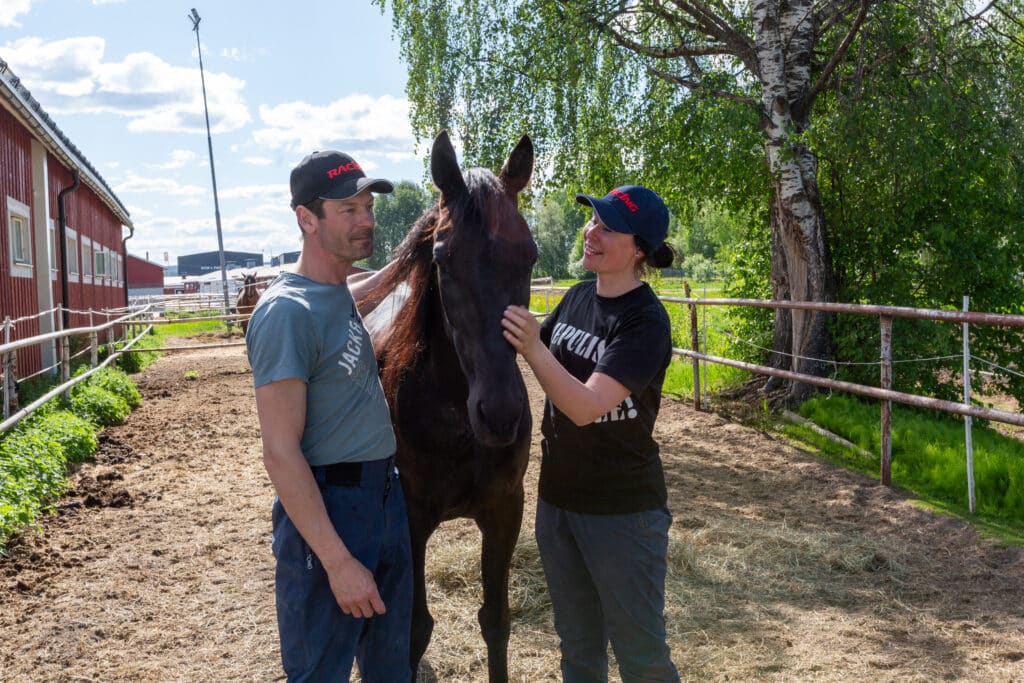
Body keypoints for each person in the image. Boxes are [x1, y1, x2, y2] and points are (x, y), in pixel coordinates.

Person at [501, 185, 680, 683]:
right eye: (591, 221)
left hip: (623, 514)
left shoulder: (645, 321)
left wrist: (535, 346)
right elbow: (526, 348)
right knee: (578, 651)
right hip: (558, 504)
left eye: (607, 226)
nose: (591, 232)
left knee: (641, 657)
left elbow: (582, 406)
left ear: (639, 249)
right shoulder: (579, 296)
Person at [245, 150, 412, 681]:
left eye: (367, 205)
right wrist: (338, 563)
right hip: (331, 506)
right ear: (306, 218)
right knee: (322, 670)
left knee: (391, 666)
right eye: (348, 209)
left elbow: (372, 283)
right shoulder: (285, 314)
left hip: (384, 497)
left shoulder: (335, 289)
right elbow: (280, 451)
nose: (366, 219)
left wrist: (415, 254)